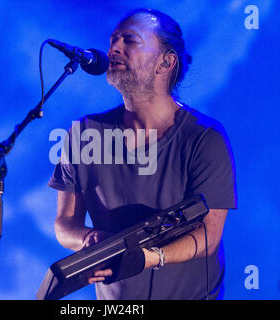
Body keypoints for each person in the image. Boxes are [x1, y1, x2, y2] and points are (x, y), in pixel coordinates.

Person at [48, 8, 237, 300]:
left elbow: (208, 235)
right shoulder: (85, 134)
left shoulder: (204, 137)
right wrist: (88, 239)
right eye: (113, 40)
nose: (114, 48)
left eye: (130, 40)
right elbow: (64, 224)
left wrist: (151, 257)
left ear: (166, 61)